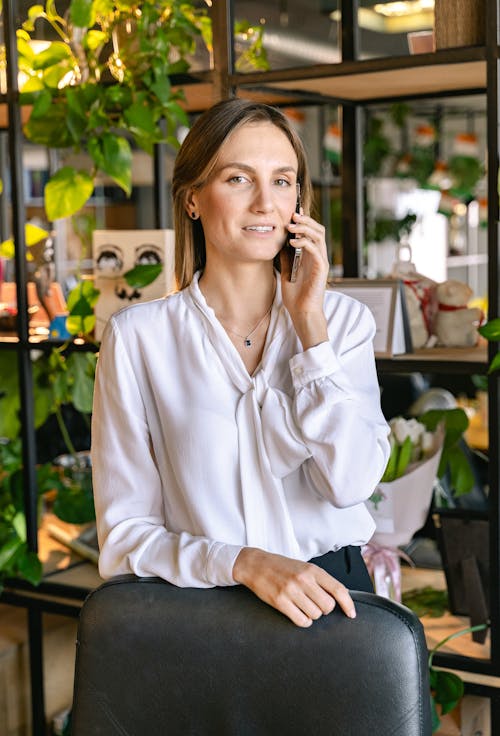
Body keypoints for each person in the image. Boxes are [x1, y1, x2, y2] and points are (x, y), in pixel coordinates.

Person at [91, 98, 390, 629]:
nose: (265, 204)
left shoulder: (342, 323)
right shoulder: (138, 339)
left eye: (282, 180)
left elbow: (351, 483)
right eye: (237, 179)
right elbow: (125, 537)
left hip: (334, 604)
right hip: (203, 613)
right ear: (192, 200)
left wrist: (310, 330)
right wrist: (242, 562)